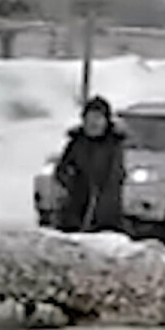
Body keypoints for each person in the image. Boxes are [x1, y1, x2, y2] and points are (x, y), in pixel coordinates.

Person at [54, 96, 126, 233]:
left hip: (106, 216)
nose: (94, 123)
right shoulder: (76, 143)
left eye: (98, 118)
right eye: (90, 118)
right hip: (74, 212)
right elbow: (62, 169)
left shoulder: (114, 145)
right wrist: (70, 182)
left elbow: (115, 177)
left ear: (106, 121)